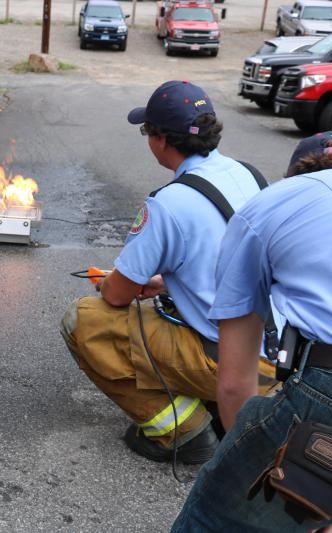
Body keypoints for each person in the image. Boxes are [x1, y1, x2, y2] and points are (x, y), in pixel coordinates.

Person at [60, 80, 276, 465]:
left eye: (148, 132)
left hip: (231, 361)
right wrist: (165, 282)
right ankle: (226, 412)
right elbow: (232, 260)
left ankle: (184, 432)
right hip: (277, 356)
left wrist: (115, 280)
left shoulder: (168, 203)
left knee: (84, 320)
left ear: (159, 140)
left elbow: (116, 295)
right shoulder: (249, 175)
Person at [171, 134, 332, 531]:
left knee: (212, 520)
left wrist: (243, 452)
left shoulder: (275, 204)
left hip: (325, 391)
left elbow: (234, 383)